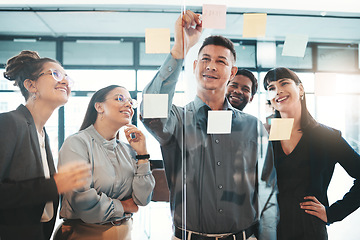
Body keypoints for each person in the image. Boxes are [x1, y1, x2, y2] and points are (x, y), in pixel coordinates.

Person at [140, 10, 275, 240]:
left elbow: (267, 190)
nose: (211, 66)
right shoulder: (178, 120)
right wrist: (179, 50)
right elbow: (150, 110)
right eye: (205, 59)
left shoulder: (252, 127)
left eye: (220, 61)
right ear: (194, 66)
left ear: (232, 72)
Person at [0, 50, 91, 240]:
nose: (65, 81)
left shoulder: (42, 134)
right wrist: (54, 185)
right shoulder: (9, 122)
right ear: (31, 85)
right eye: (56, 74)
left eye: (67, 77)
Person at [263, 67, 360, 240]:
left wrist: (333, 213)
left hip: (310, 230)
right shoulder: (266, 136)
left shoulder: (326, 136)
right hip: (270, 230)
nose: (278, 91)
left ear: (300, 89)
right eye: (271, 88)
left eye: (284, 83)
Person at [56, 85, 155, 240]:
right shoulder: (76, 143)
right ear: (99, 107)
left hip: (124, 234)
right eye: (120, 98)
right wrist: (124, 206)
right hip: (85, 234)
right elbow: (83, 202)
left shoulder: (128, 150)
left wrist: (142, 154)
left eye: (131, 102)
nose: (129, 104)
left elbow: (142, 199)